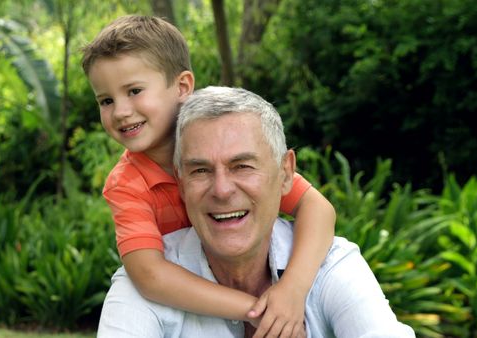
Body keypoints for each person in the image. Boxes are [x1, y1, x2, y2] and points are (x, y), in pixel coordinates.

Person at [81, 15, 336, 336]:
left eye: (134, 90)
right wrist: (255, 308)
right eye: (106, 100)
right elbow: (150, 276)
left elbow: (318, 208)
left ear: (182, 86)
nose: (120, 111)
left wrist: (292, 290)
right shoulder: (127, 184)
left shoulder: (228, 145)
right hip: (192, 312)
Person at [98, 86, 416, 337]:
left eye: (243, 166)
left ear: (286, 173)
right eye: (200, 171)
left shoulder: (331, 266)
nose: (222, 190)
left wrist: (292, 289)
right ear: (180, 184)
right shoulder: (141, 286)